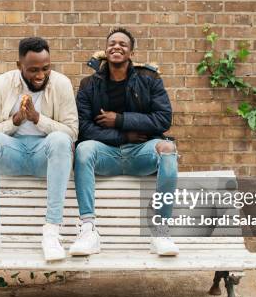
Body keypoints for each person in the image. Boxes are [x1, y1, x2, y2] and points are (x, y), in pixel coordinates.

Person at [70, 27, 180, 256]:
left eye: (122, 44)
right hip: (106, 154)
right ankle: (88, 230)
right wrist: (122, 135)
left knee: (168, 148)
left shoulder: (150, 79)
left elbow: (163, 119)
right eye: (112, 43)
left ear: (130, 52)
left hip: (141, 152)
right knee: (83, 149)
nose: (116, 46)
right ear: (105, 50)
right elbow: (84, 127)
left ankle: (161, 231)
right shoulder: (89, 84)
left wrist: (121, 120)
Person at [0, 37, 78, 261]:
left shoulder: (61, 84)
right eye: (33, 70)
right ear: (19, 65)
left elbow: (71, 132)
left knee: (60, 140)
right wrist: (16, 120)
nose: (40, 75)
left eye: (46, 68)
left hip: (45, 155)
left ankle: (51, 231)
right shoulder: (0, 84)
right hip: (13, 153)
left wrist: (38, 119)